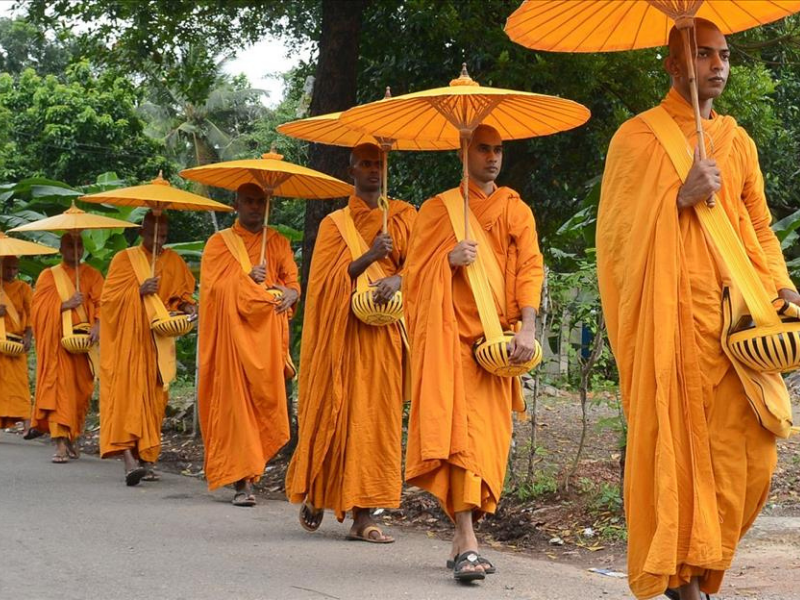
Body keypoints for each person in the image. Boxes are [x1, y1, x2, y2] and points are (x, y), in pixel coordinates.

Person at [596, 19, 799, 600]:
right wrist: (677, 198)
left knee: (752, 458)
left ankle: (701, 564)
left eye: (724, 55)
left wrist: (781, 286)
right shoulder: (636, 139)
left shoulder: (736, 140)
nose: (718, 65)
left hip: (739, 324)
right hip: (673, 324)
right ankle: (686, 581)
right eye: (703, 54)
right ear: (673, 64)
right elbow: (615, 240)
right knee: (680, 447)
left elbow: (759, 227)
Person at [403, 124, 543, 580]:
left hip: (497, 344)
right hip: (453, 342)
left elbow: (529, 268)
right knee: (460, 440)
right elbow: (413, 279)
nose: (492, 157)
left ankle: (462, 534)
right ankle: (466, 541)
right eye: (483, 148)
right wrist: (447, 260)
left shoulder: (514, 208)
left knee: (489, 442)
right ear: (464, 151)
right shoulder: (437, 209)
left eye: (498, 149)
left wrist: (528, 325)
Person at [285, 143, 416, 542]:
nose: (373, 171)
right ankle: (319, 492)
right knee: (337, 415)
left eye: (379, 164)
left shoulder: (405, 216)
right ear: (352, 170)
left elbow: (421, 267)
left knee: (375, 422)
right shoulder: (333, 225)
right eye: (366, 164)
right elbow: (325, 282)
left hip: (385, 337)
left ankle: (364, 515)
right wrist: (370, 254)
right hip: (343, 336)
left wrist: (398, 279)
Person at [198, 183, 300, 506]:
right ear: (236, 204)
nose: (255, 207)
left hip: (266, 343)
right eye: (249, 201)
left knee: (263, 405)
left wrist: (291, 293)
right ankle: (243, 482)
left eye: (260, 202)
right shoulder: (219, 244)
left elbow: (293, 285)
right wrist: (246, 279)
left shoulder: (278, 242)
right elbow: (213, 292)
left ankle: (253, 471)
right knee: (237, 408)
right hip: (232, 343)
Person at [100, 211, 197, 486]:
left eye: (164, 235)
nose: (158, 240)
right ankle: (128, 458)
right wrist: (138, 291)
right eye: (153, 233)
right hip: (128, 343)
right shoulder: (124, 259)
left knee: (155, 399)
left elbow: (181, 297)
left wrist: (189, 308)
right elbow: (108, 302)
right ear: (142, 231)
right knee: (126, 397)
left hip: (158, 341)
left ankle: (148, 457)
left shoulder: (174, 261)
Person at [29, 233, 103, 463]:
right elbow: (38, 310)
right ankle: (59, 441)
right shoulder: (48, 276)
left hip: (84, 345)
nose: (76, 249)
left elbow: (105, 303)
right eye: (70, 245)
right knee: (59, 389)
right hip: (58, 347)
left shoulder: (92, 275)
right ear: (61, 248)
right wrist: (64, 305)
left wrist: (98, 325)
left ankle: (72, 434)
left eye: (79, 245)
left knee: (81, 393)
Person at [0, 256, 33, 433]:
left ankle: (28, 424)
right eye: (7, 268)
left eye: (14, 269)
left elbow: (31, 314)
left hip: (16, 342)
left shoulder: (23, 288)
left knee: (20, 384)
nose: (11, 272)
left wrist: (28, 336)